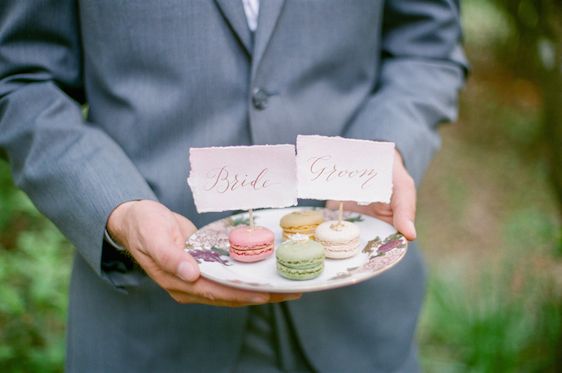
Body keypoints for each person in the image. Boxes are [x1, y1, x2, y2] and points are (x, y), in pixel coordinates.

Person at [0, 0, 467, 371]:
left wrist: (383, 152)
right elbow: (22, 80)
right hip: (152, 327)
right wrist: (118, 208)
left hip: (357, 323)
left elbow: (424, 48)